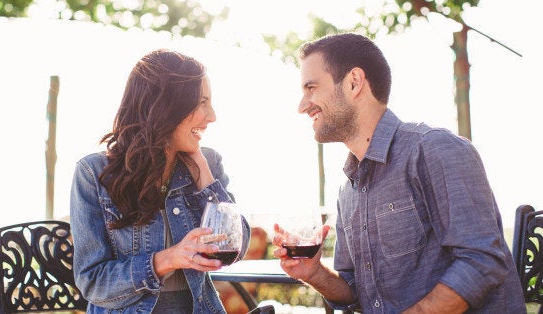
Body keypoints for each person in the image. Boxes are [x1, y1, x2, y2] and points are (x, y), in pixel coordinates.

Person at [273, 33, 525, 313]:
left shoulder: (434, 150)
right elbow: (355, 291)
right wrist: (314, 273)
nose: (302, 105)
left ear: (354, 82)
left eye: (311, 88)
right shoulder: (349, 190)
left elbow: (482, 262)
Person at [70, 49, 250, 314]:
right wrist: (168, 259)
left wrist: (202, 171)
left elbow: (238, 245)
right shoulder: (93, 173)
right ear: (166, 105)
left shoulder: (207, 162)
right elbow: (93, 282)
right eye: (202, 101)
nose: (212, 116)